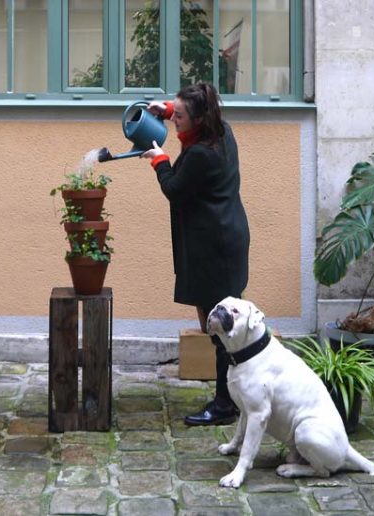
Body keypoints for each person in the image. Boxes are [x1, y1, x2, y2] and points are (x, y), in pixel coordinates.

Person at [142, 82, 250, 426]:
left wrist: (158, 160)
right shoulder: (222, 131)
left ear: (200, 118)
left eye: (180, 115)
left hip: (213, 246)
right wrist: (170, 110)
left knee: (219, 330)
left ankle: (224, 406)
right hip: (227, 237)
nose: (174, 119)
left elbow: (174, 188)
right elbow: (193, 119)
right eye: (175, 112)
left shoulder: (201, 154)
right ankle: (234, 397)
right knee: (222, 326)